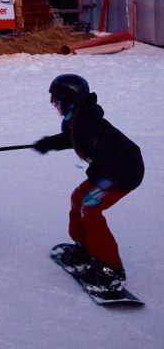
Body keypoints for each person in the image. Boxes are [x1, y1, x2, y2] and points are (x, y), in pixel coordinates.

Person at [34, 73, 144, 290]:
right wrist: (48, 143)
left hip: (123, 172)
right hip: (106, 170)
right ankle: (85, 248)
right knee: (78, 198)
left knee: (90, 208)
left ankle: (111, 270)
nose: (53, 104)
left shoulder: (87, 123)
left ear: (68, 100)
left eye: (55, 100)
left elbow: (116, 156)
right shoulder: (77, 119)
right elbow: (72, 139)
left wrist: (104, 185)